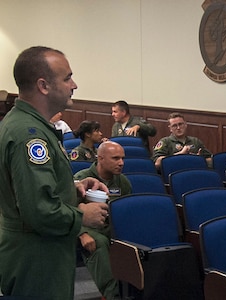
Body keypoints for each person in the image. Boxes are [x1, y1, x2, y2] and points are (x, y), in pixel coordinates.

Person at [0, 46, 109, 299]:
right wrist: (81, 215)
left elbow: (28, 186)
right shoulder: (30, 135)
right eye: (67, 77)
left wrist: (73, 186)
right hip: (36, 257)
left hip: (42, 252)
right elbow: (38, 209)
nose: (75, 85)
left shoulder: (31, 125)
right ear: (43, 86)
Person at [74, 141, 132, 300]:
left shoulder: (122, 182)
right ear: (100, 159)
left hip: (112, 227)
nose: (121, 163)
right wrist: (82, 233)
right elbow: (69, 212)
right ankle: (110, 295)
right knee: (99, 242)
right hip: (86, 228)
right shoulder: (81, 179)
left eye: (122, 158)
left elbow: (127, 211)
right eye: (115, 158)